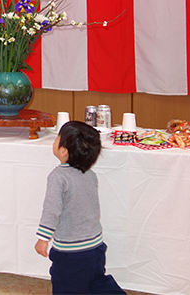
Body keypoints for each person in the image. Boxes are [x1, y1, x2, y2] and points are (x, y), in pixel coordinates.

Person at [35, 121, 125, 294]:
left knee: (67, 286)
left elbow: (51, 210)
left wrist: (43, 238)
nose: (55, 141)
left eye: (57, 138)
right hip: (95, 247)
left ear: (63, 152)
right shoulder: (89, 174)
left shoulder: (58, 177)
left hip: (71, 253)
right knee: (95, 281)